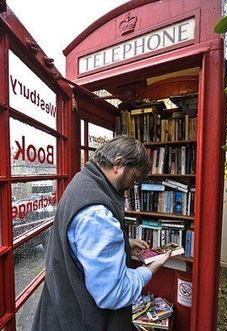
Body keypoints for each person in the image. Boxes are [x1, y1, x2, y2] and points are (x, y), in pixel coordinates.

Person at [32, 135, 171, 331]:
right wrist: (150, 270)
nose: (133, 185)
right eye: (135, 177)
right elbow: (113, 293)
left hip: (59, 309)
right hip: (81, 321)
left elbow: (80, 246)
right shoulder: (98, 214)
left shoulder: (82, 181)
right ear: (119, 164)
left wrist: (124, 243)